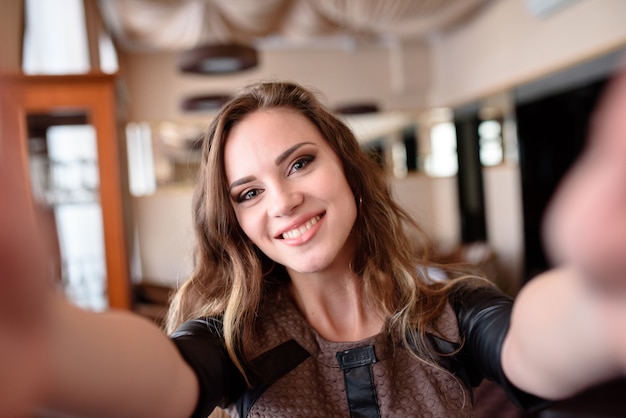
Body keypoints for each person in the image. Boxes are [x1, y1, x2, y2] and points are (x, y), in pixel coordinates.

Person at [0, 74, 625, 417]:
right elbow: (163, 380)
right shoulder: (234, 339)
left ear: (348, 168)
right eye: (247, 193)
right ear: (234, 224)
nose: (282, 202)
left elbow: (527, 341)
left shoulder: (450, 308)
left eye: (299, 164)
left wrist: (600, 305)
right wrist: (53, 343)